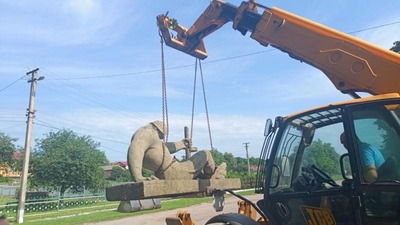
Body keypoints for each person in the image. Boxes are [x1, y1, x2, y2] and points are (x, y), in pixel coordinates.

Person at [127, 121, 226, 182]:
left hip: (163, 174)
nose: (161, 139)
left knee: (198, 165)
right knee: (206, 153)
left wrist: (182, 144)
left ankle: (204, 175)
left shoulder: (147, 138)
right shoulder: (148, 132)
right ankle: (211, 175)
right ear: (157, 129)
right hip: (176, 171)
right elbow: (135, 149)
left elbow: (165, 148)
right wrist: (138, 177)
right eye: (161, 136)